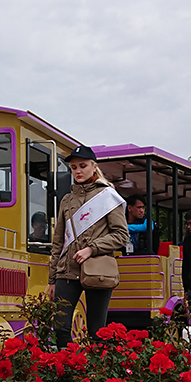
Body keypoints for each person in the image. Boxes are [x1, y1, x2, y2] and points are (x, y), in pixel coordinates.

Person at [48, 145, 130, 347]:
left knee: (97, 331)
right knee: (60, 327)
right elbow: (58, 241)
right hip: (66, 271)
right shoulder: (66, 200)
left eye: (83, 166)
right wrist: (51, 279)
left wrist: (92, 248)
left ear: (94, 167)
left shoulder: (108, 196)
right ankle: (67, 370)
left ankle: (96, 376)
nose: (78, 171)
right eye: (74, 167)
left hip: (97, 269)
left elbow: (121, 235)